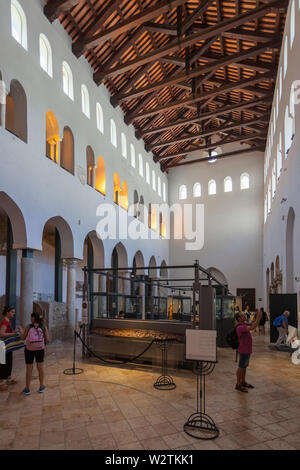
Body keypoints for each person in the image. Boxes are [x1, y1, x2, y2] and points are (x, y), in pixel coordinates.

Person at [21, 312, 49, 395]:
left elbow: (23, 338)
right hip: (40, 349)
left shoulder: (28, 327)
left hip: (29, 349)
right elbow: (47, 339)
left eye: (31, 317)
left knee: (29, 368)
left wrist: (21, 331)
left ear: (33, 318)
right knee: (40, 367)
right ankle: (41, 386)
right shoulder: (44, 327)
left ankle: (27, 389)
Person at [235, 310, 262, 393]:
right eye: (242, 315)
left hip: (247, 350)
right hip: (243, 350)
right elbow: (252, 327)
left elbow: (254, 324)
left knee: (244, 366)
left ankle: (243, 381)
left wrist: (258, 318)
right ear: (239, 318)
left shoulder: (244, 324)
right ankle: (238, 384)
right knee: (241, 366)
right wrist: (258, 317)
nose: (244, 316)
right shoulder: (240, 327)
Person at [0, 306, 23, 391]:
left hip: (6, 346)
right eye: (12, 312)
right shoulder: (5, 321)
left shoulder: (7, 321)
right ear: (7, 312)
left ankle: (8, 378)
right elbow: (1, 334)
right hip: (2, 346)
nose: (14, 313)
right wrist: (12, 333)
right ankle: (1, 382)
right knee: (3, 364)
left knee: (9, 361)